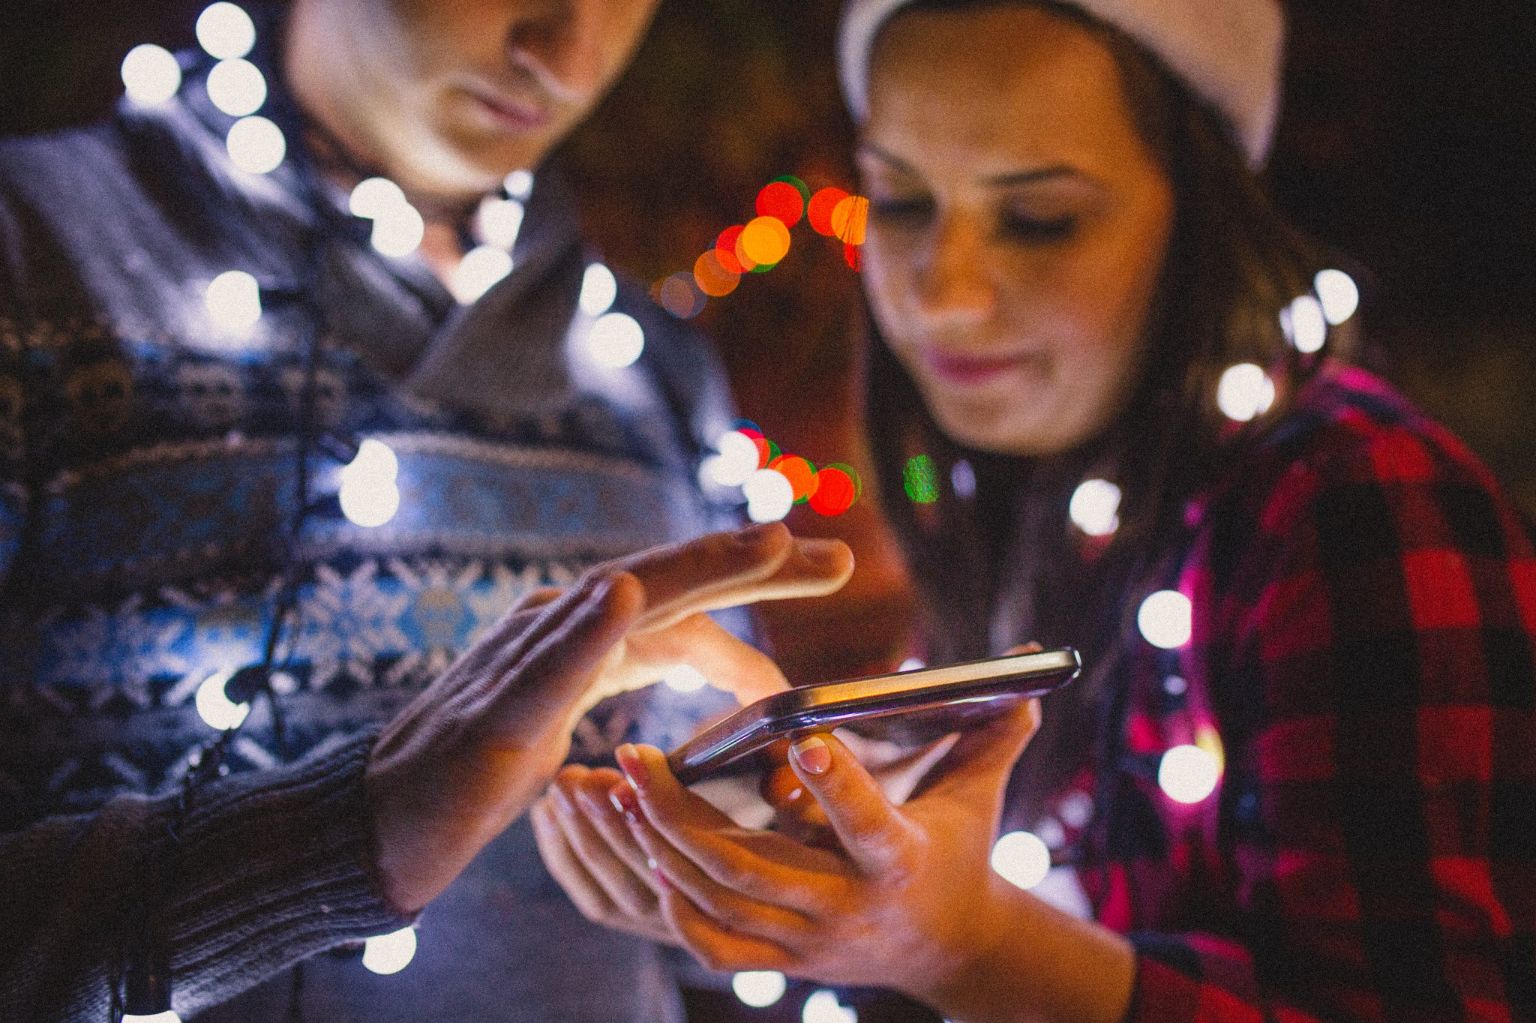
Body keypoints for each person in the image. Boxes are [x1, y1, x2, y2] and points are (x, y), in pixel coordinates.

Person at [535, 0, 1536, 1019]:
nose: (945, 292)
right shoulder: (1014, 503)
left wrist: (970, 946)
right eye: (902, 202)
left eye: (1039, 218)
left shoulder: (1361, 502)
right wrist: (791, 876)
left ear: (1201, 215)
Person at [0, 1, 858, 1020]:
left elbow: (702, 935)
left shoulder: (649, 360)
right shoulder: (28, 254)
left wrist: (784, 858)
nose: (567, 56)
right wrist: (353, 836)